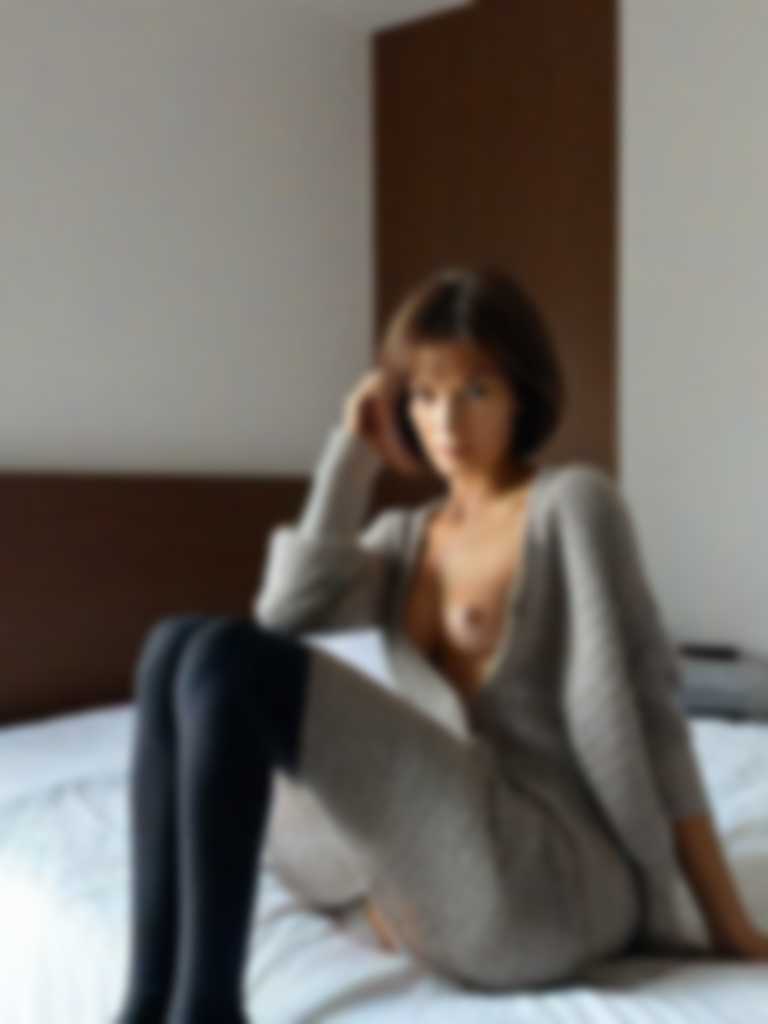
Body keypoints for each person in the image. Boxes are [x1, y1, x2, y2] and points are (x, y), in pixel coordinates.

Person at [114, 267, 768, 1023]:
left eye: (476, 390)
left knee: (227, 661)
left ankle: (208, 1011)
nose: (447, 421)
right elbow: (283, 617)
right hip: (458, 853)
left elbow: (655, 725)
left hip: (549, 875)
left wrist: (731, 929)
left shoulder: (572, 506)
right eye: (424, 395)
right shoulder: (404, 539)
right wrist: (351, 455)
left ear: (522, 394)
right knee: (175, 646)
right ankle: (147, 1003)